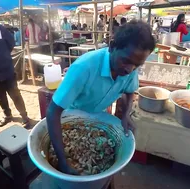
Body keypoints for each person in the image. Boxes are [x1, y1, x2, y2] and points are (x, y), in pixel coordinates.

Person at [46, 20, 155, 174]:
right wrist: (63, 161)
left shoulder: (130, 66)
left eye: (137, 65)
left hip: (99, 116)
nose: (130, 69)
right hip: (71, 119)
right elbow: (52, 112)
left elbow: (130, 90)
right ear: (112, 46)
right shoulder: (83, 68)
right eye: (126, 61)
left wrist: (126, 114)